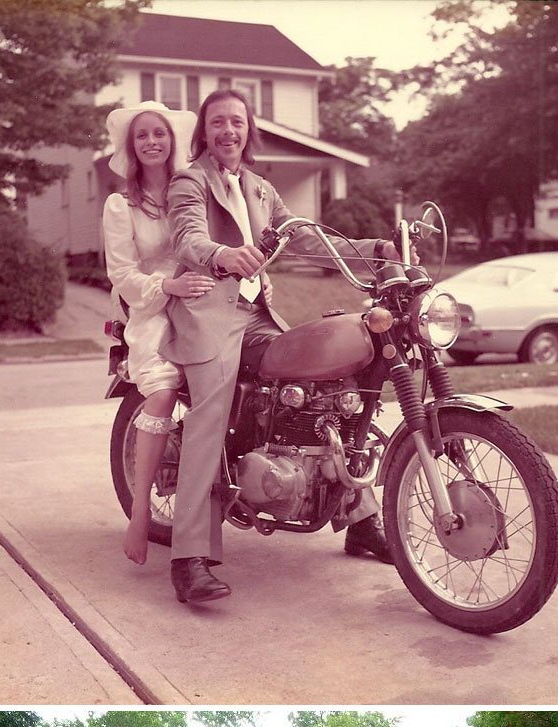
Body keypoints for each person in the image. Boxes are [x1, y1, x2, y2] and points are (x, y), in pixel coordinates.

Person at [159, 87, 399, 606]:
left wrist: (372, 249)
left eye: (237, 123)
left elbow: (310, 238)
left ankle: (360, 520)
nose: (228, 131)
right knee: (209, 415)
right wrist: (224, 256)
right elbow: (186, 238)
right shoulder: (190, 181)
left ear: (249, 131)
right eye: (218, 123)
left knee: (333, 392)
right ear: (205, 131)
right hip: (207, 313)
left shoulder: (261, 190)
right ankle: (189, 559)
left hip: (256, 315)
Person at [103, 100, 213, 565]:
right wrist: (168, 285)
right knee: (164, 390)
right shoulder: (120, 204)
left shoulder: (192, 188)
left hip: (204, 295)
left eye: (160, 134)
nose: (152, 142)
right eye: (142, 136)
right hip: (152, 304)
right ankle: (141, 512)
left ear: (173, 141)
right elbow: (122, 274)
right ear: (132, 147)